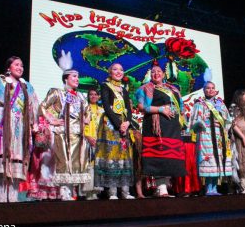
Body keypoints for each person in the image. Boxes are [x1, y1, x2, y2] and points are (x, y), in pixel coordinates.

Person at [0, 56, 39, 203]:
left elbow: (34, 108)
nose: (20, 67)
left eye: (22, 65)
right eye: (16, 64)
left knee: (17, 165)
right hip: (2, 126)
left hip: (20, 129)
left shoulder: (27, 87)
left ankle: (14, 200)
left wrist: (34, 125)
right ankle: (1, 201)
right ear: (8, 67)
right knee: (1, 164)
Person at [39, 66, 91, 201]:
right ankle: (63, 192)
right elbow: (42, 106)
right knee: (64, 162)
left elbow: (88, 110)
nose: (77, 79)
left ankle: (70, 192)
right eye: (74, 76)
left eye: (78, 77)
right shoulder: (57, 93)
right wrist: (52, 120)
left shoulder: (80, 96)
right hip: (62, 134)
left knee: (75, 164)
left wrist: (87, 118)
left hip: (78, 135)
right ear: (66, 78)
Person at [136, 64, 186, 197]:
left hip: (172, 126)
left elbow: (181, 106)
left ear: (163, 75)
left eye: (159, 71)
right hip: (156, 126)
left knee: (171, 157)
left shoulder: (173, 89)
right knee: (159, 155)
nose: (156, 73)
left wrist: (181, 119)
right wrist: (160, 109)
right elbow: (141, 107)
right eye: (153, 72)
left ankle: (164, 187)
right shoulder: (145, 89)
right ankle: (161, 188)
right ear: (150, 75)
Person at [95, 63, 134, 199]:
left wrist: (128, 122)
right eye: (115, 69)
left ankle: (125, 191)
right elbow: (106, 106)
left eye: (121, 70)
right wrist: (119, 124)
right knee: (112, 156)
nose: (119, 72)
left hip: (124, 124)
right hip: (110, 125)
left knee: (124, 156)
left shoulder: (124, 89)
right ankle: (112, 192)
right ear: (109, 72)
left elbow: (128, 108)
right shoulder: (105, 86)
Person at [190, 81, 232, 196]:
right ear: (204, 90)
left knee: (218, 159)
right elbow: (196, 120)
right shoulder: (200, 103)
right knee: (210, 160)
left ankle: (214, 188)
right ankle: (209, 188)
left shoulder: (220, 103)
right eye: (208, 88)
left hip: (219, 135)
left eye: (213, 88)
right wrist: (205, 120)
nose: (210, 90)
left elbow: (227, 120)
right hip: (206, 134)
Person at [80, 88, 104, 200]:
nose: (93, 96)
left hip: (99, 141)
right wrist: (87, 136)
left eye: (96, 94)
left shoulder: (102, 110)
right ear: (88, 96)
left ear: (99, 97)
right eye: (91, 94)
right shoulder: (84, 109)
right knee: (88, 165)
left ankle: (96, 190)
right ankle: (88, 192)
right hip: (87, 139)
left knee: (97, 166)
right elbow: (81, 125)